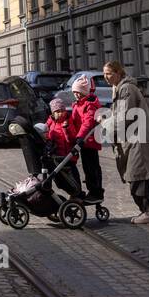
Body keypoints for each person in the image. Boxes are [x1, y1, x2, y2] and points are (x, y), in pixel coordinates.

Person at [101, 59, 149, 224]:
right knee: (139, 174)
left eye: (109, 73)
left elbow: (125, 116)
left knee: (136, 175)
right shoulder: (119, 88)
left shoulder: (126, 89)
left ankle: (148, 211)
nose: (106, 77)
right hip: (135, 136)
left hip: (140, 137)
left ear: (118, 73)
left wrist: (105, 123)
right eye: (104, 73)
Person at [66, 74, 105, 203]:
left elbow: (87, 123)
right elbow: (74, 121)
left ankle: (96, 192)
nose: (76, 95)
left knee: (92, 167)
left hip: (90, 141)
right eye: (74, 92)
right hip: (83, 141)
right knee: (87, 167)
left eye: (78, 92)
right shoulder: (78, 104)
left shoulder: (90, 105)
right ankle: (91, 190)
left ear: (84, 92)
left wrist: (79, 137)